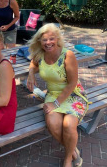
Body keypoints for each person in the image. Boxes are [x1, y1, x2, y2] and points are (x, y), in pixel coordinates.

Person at [26, 23, 88, 167]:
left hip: (73, 94)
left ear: (57, 39)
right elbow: (33, 63)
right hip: (53, 94)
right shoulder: (40, 54)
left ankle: (67, 159)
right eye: (44, 40)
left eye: (51, 39)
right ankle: (73, 152)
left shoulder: (67, 55)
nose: (48, 43)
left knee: (68, 124)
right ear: (39, 41)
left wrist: (55, 104)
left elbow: (72, 83)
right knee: (53, 124)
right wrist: (30, 73)